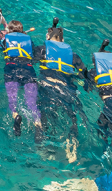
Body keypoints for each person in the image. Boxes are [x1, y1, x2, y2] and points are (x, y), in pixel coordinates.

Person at [33, 18, 89, 162]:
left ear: (47, 37)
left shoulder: (42, 49)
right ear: (62, 39)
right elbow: (85, 75)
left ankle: (41, 147)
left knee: (41, 115)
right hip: (66, 90)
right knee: (72, 119)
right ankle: (72, 147)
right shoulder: (74, 56)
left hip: (47, 87)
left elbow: (28, 61)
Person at [2, 20, 42, 140]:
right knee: (32, 103)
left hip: (11, 70)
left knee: (12, 100)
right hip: (28, 70)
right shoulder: (30, 41)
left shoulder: (5, 40)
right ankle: (37, 125)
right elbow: (34, 58)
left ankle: (16, 115)